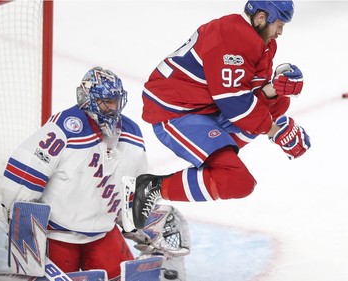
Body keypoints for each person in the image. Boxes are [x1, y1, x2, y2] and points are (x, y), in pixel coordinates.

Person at [131, 0, 311, 229]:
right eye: (279, 24)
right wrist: (276, 132)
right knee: (237, 181)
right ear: (261, 17)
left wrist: (277, 88)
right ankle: (153, 187)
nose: (280, 32)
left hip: (205, 108)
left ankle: (219, 156)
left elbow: (247, 92)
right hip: (175, 111)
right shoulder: (231, 37)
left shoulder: (260, 40)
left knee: (278, 102)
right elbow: (235, 104)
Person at [0, 66, 148, 280]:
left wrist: (133, 220)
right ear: (86, 99)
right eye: (105, 101)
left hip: (102, 233)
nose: (111, 108)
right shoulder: (65, 128)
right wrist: (18, 218)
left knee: (123, 278)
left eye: (115, 101)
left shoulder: (132, 134)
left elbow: (135, 184)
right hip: (58, 234)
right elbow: (26, 169)